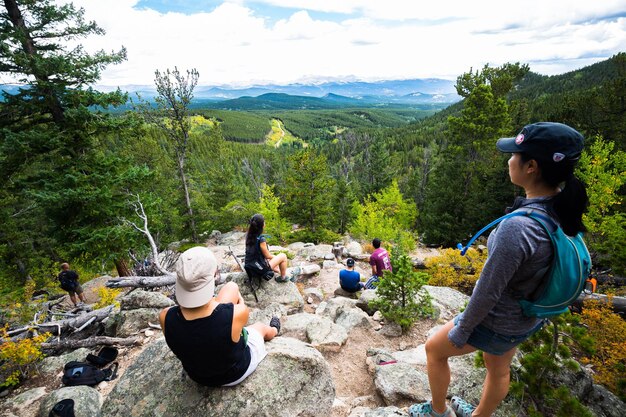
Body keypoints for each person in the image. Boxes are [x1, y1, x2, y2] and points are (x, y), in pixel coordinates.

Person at [408, 122, 588, 417]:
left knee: (434, 350)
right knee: (499, 368)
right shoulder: (563, 211)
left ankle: (437, 412)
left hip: (497, 320)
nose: (509, 159)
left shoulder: (518, 228)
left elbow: (488, 289)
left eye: (515, 154)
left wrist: (463, 329)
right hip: (527, 317)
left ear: (531, 166)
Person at [159, 246, 280, 387]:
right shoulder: (238, 312)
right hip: (235, 372)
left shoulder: (165, 316)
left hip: (197, 376)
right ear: (215, 274)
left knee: (231, 286)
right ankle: (274, 330)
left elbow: (198, 330)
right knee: (259, 327)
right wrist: (238, 306)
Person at [245, 213, 292, 282]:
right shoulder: (261, 239)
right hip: (258, 269)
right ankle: (283, 277)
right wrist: (276, 258)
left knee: (272, 260)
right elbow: (267, 256)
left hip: (250, 267)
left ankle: (279, 271)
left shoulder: (249, 236)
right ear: (262, 225)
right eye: (264, 222)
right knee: (283, 256)